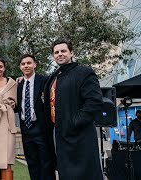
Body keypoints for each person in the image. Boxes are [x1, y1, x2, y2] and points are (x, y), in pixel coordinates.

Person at [43, 39, 104, 180]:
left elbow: (94, 102)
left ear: (71, 53)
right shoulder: (52, 78)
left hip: (81, 138)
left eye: (63, 51)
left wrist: (75, 122)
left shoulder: (84, 72)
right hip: (60, 137)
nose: (60, 54)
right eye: (56, 52)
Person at [16, 54, 56, 180]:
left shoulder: (45, 81)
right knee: (32, 163)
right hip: (26, 129)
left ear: (35, 65)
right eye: (23, 64)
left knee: (46, 163)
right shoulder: (18, 84)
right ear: (20, 67)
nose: (26, 66)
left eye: (29, 63)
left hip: (41, 128)